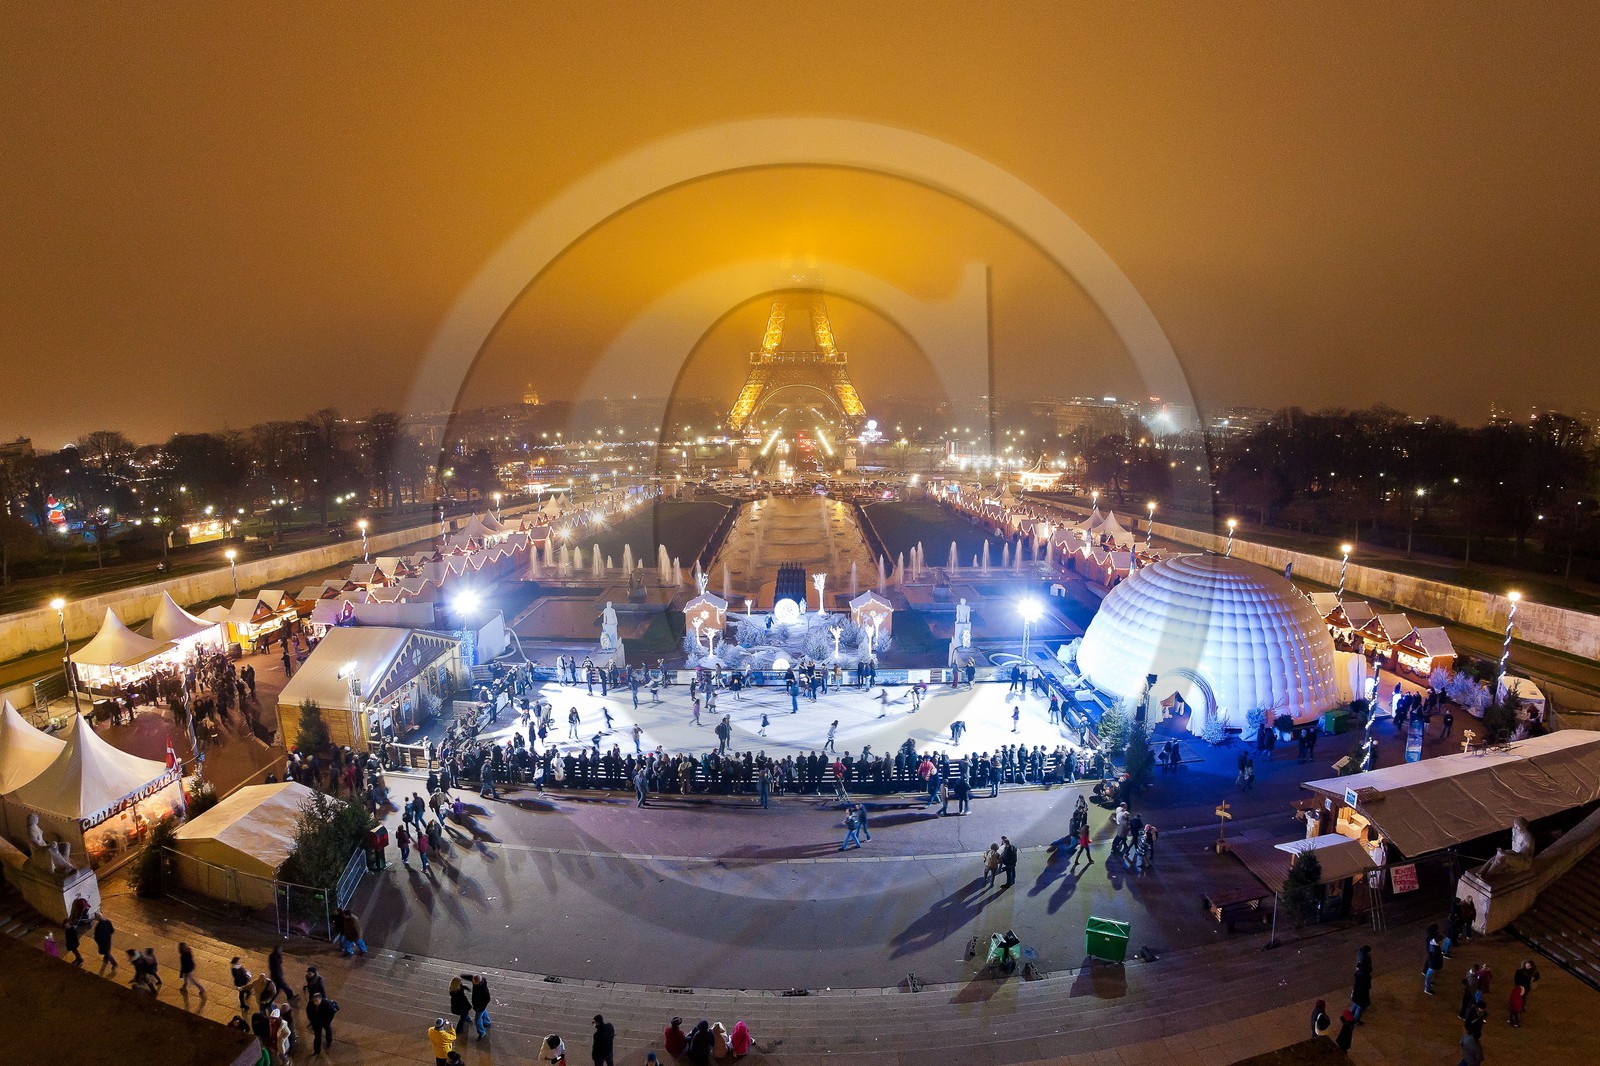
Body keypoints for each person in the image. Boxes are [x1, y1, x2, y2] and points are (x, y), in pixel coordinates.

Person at [307, 990, 338, 1055]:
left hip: (325, 1021)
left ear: (320, 999)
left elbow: (331, 1013)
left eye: (317, 1001)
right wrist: (311, 1020)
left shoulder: (326, 1004)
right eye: (314, 1001)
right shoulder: (310, 1004)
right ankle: (317, 1050)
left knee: (328, 1030)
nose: (315, 1002)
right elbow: (308, 1012)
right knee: (317, 1037)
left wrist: (328, 1021)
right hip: (316, 1023)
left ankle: (329, 1041)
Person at [1350, 945, 1372, 1023]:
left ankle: (1349, 1015)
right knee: (1360, 1006)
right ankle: (1356, 1019)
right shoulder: (1364, 974)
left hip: (1357, 991)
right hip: (1362, 992)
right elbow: (1366, 984)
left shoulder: (1358, 973)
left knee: (1355, 1003)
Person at [1422, 924, 1444, 995]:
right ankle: (1427, 989)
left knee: (1429, 974)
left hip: (1432, 962)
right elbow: (1435, 957)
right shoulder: (1435, 949)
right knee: (1429, 975)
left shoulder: (1430, 940)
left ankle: (1429, 982)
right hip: (1433, 964)